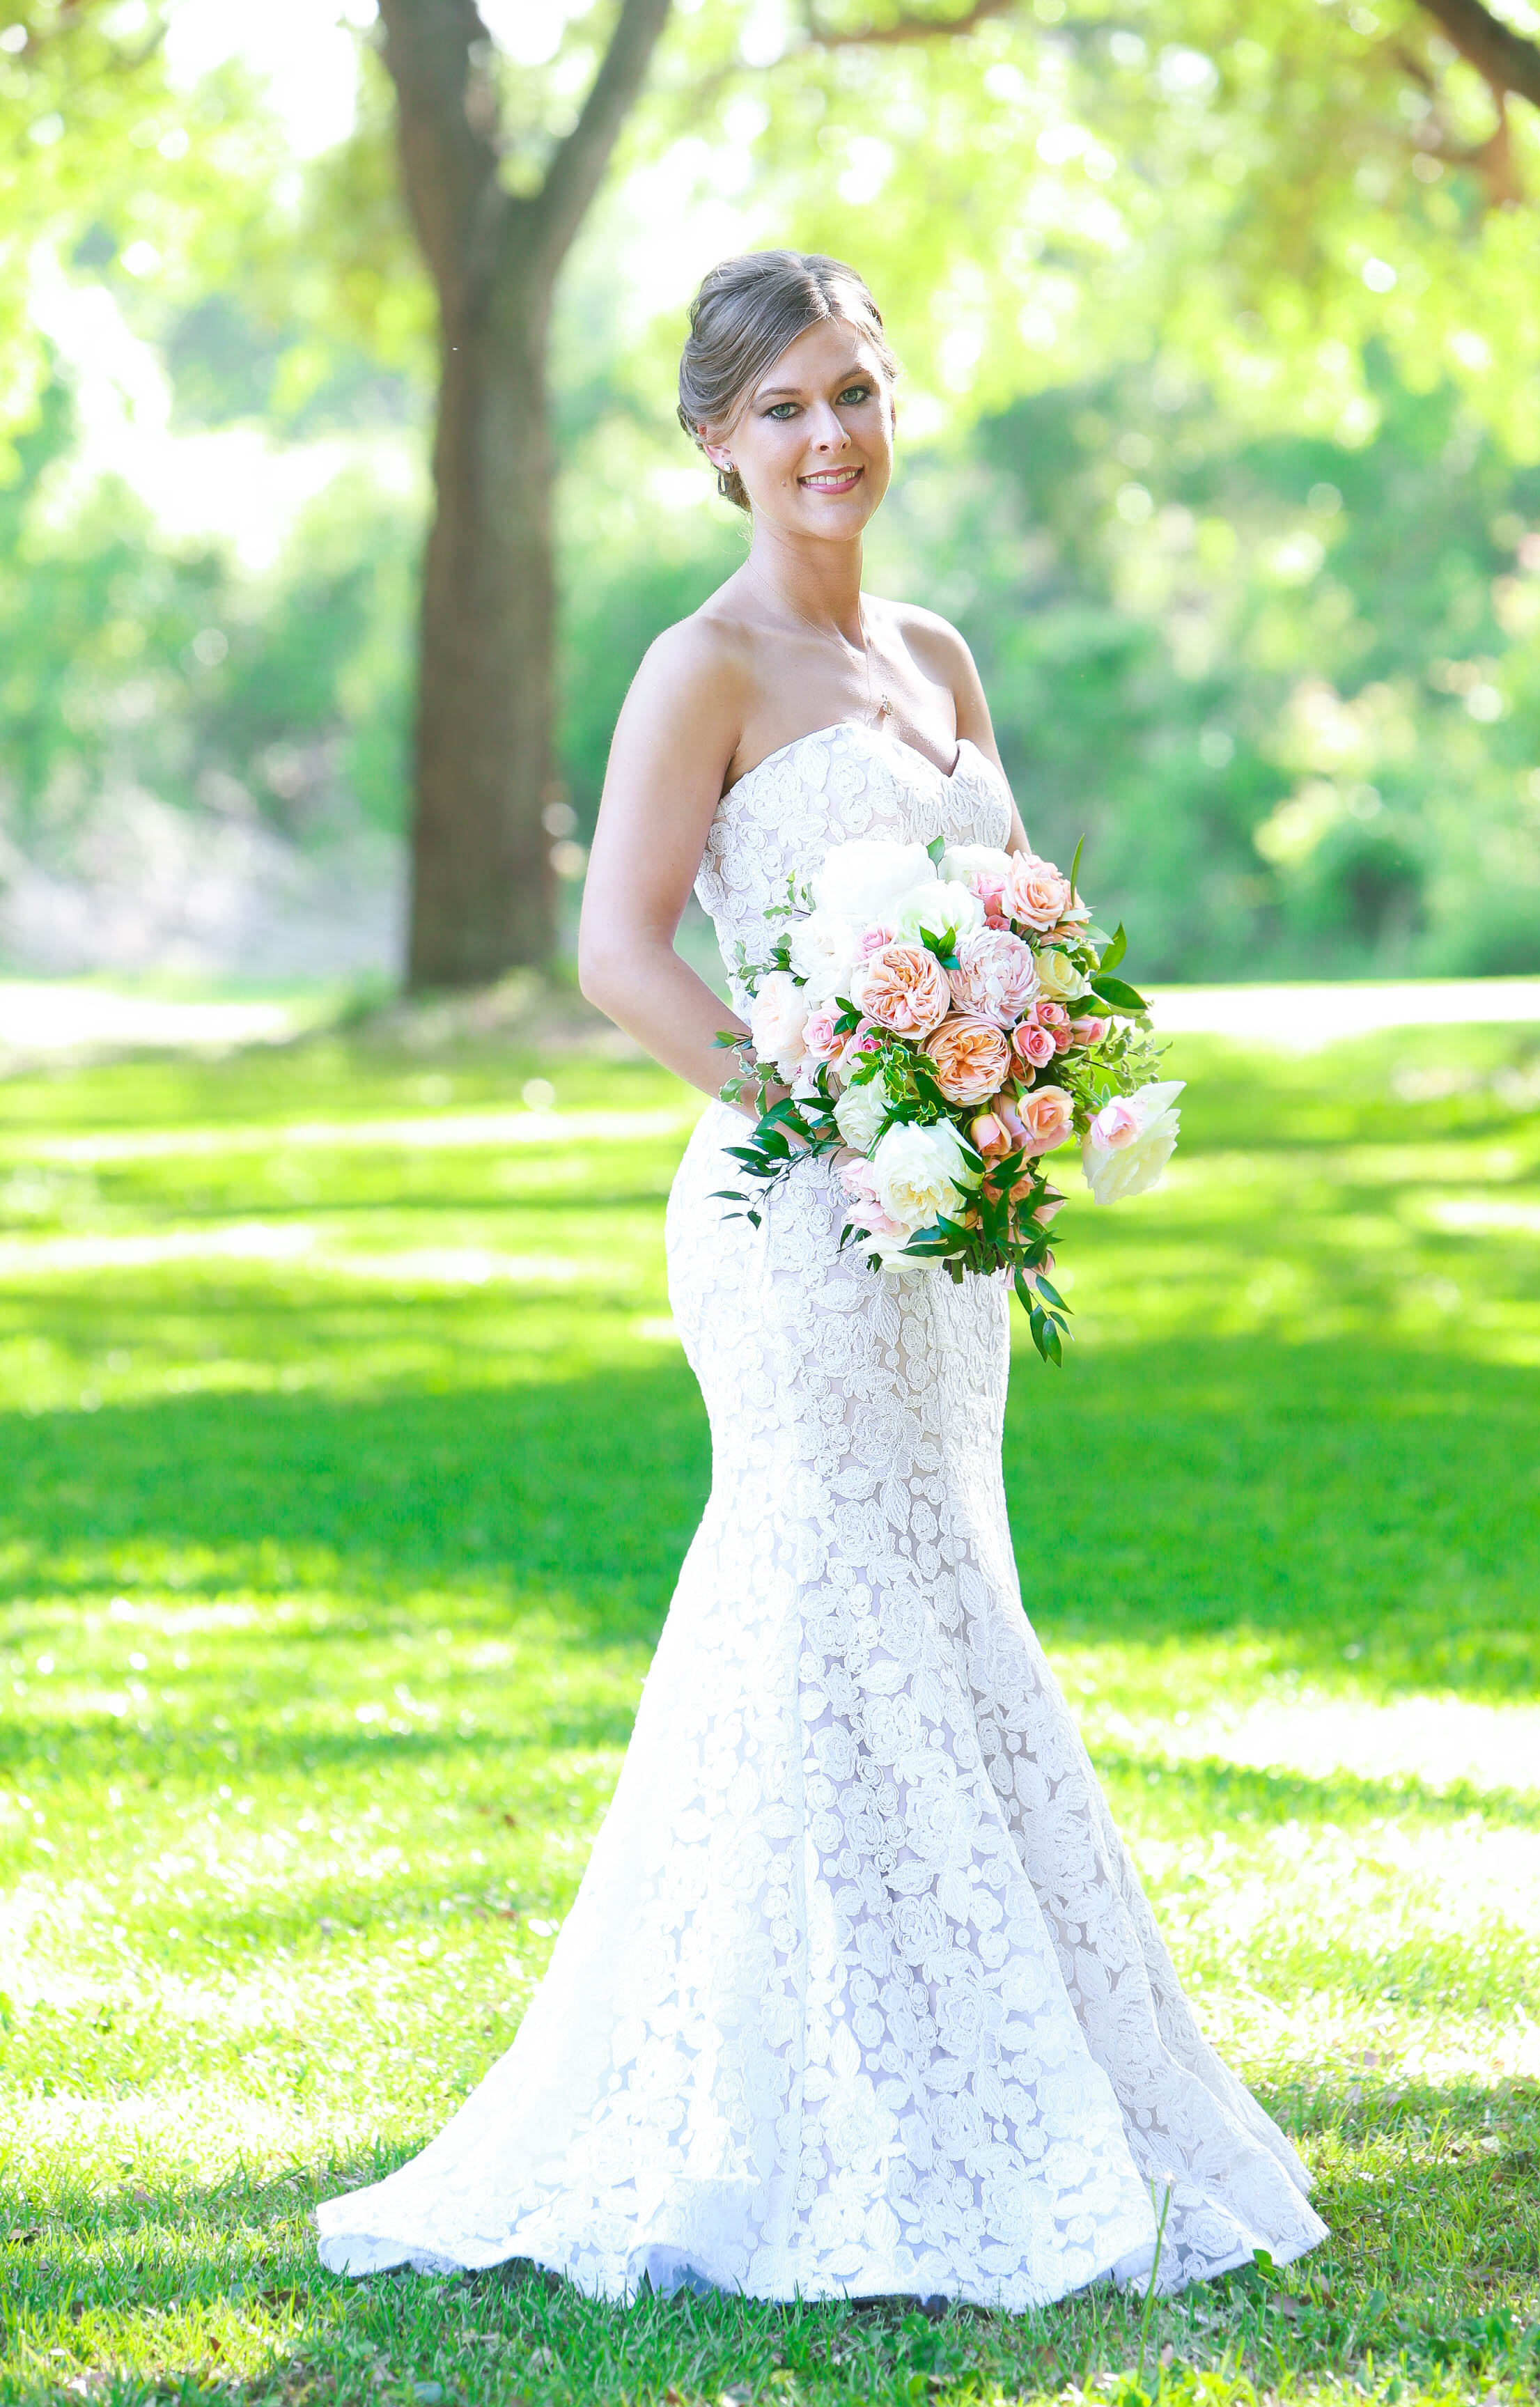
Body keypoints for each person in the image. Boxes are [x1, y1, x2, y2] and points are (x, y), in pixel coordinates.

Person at [316, 249, 1325, 2307]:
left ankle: (959, 2074)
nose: (829, 436)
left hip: (946, 1232)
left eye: (854, 391)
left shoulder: (940, 656)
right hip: (792, 1215)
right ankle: (769, 2107)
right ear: (714, 443)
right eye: (780, 408)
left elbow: (1019, 915)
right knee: (819, 1595)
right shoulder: (705, 666)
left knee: (944, 1596)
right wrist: (822, 1118)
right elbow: (619, 953)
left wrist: (1021, 1087)